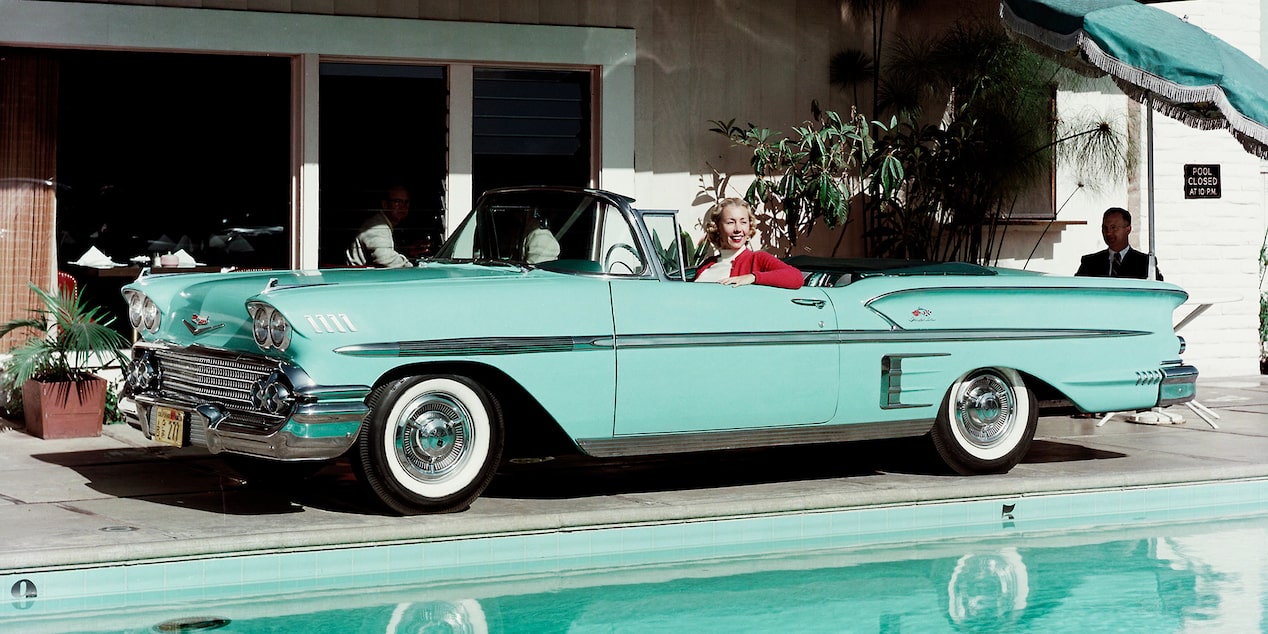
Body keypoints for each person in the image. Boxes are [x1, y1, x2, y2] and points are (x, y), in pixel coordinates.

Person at [693, 198, 803, 289]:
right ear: (717, 227)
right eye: (730, 222)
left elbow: (796, 277)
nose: (738, 229)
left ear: (749, 226)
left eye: (743, 222)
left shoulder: (757, 259)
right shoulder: (708, 263)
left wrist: (753, 277)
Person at [1074, 207, 1162, 280]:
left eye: (1113, 228)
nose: (1108, 233)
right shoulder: (1090, 263)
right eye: (1105, 228)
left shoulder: (1145, 263)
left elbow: (1159, 292)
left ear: (1128, 229)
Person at [346, 185, 413, 268]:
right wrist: (412, 266)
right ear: (385, 204)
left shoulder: (386, 224)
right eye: (397, 201)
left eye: (406, 202)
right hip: (361, 279)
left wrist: (408, 252)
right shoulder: (377, 227)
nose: (403, 206)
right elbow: (385, 259)